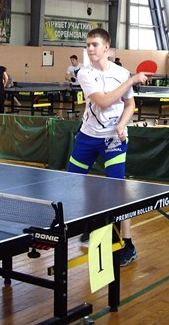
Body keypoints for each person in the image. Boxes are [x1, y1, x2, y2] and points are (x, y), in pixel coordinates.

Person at [67, 28, 148, 267]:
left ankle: (128, 244)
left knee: (118, 191)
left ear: (106, 48)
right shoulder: (85, 73)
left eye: (94, 44)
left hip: (113, 139)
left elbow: (130, 105)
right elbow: (103, 101)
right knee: (71, 181)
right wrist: (132, 80)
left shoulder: (120, 73)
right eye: (87, 45)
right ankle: (91, 223)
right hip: (87, 137)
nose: (90, 49)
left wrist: (122, 125)